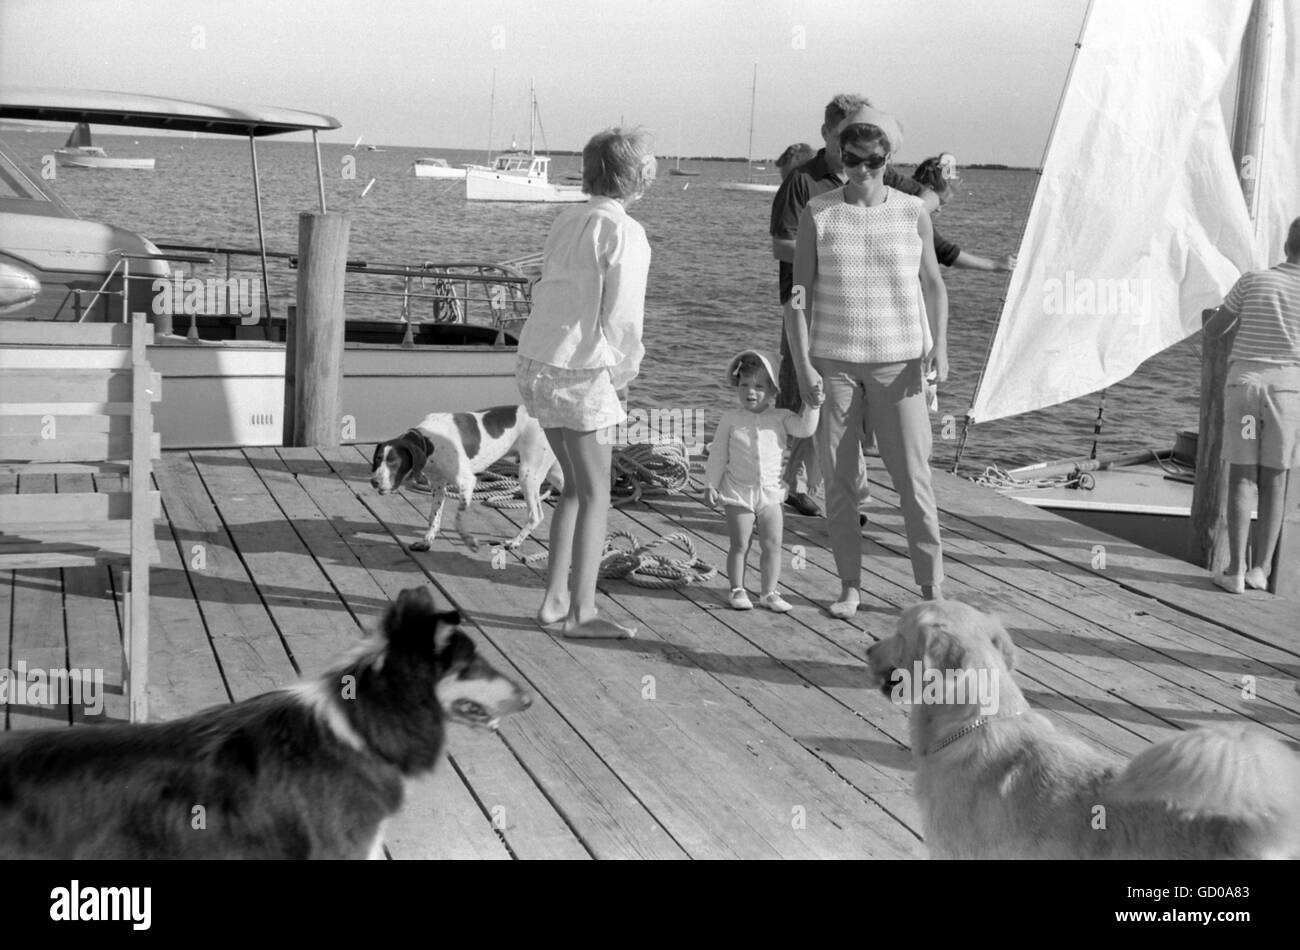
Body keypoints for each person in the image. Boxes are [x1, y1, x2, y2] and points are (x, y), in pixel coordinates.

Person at [787, 118, 949, 616]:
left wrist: (939, 348)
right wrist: (803, 367)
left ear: (887, 162)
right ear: (839, 157)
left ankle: (932, 591)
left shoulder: (912, 212)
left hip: (898, 365)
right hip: (833, 366)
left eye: (872, 161)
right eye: (851, 159)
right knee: (837, 484)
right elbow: (797, 299)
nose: (861, 170)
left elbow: (934, 286)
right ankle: (850, 587)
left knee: (913, 480)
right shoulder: (819, 213)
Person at [514, 128, 656, 638]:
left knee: (574, 487)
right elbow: (623, 319)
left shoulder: (568, 219)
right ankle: (582, 613)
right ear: (638, 175)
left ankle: (555, 600)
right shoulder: (624, 232)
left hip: (536, 363)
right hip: (579, 372)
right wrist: (622, 375)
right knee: (598, 494)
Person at [770, 95, 940, 520]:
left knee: (853, 419)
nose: (862, 163)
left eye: (873, 156)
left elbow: (925, 201)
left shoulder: (878, 170)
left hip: (870, 330)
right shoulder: (804, 182)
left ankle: (843, 491)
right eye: (849, 135)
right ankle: (787, 485)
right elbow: (779, 243)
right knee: (805, 402)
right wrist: (832, 249)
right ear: (830, 133)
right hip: (812, 313)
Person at [1210, 216, 1300, 594]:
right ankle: (1261, 570)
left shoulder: (1253, 280)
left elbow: (1215, 328)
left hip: (1246, 388)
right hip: (1286, 393)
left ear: (1286, 245)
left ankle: (1234, 569)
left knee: (1243, 473)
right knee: (1275, 478)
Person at [705, 350, 819, 612]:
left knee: (773, 545)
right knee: (740, 544)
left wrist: (813, 405)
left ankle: (768, 592)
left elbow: (806, 429)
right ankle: (737, 589)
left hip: (770, 495)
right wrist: (711, 483)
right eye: (744, 384)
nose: (751, 391)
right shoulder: (730, 419)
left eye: (759, 386)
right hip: (738, 491)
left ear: (773, 390)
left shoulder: (781, 417)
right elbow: (718, 454)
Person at [910, 156, 1016, 272]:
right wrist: (995, 265)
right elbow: (945, 251)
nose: (939, 210)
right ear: (928, 189)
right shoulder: (912, 217)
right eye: (939, 203)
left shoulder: (899, 196)